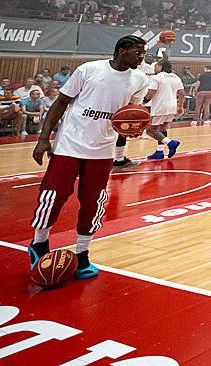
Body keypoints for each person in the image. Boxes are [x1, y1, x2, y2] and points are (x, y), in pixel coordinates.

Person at [27, 35, 152, 280]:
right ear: (121, 51)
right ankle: (39, 244)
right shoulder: (89, 70)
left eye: (142, 53)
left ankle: (82, 253)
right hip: (70, 144)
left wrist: (134, 129)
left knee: (93, 201)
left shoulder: (139, 79)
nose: (141, 57)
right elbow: (61, 102)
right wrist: (44, 139)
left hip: (103, 149)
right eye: (137, 52)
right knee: (54, 195)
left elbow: (132, 114)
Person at [144, 60, 184, 160]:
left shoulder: (157, 77)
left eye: (156, 66)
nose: (154, 68)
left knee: (149, 130)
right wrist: (180, 107)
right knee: (162, 129)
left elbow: (150, 94)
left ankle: (170, 143)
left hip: (160, 106)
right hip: (172, 106)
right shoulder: (176, 77)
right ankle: (159, 151)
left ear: (161, 67)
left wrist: (142, 102)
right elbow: (182, 93)